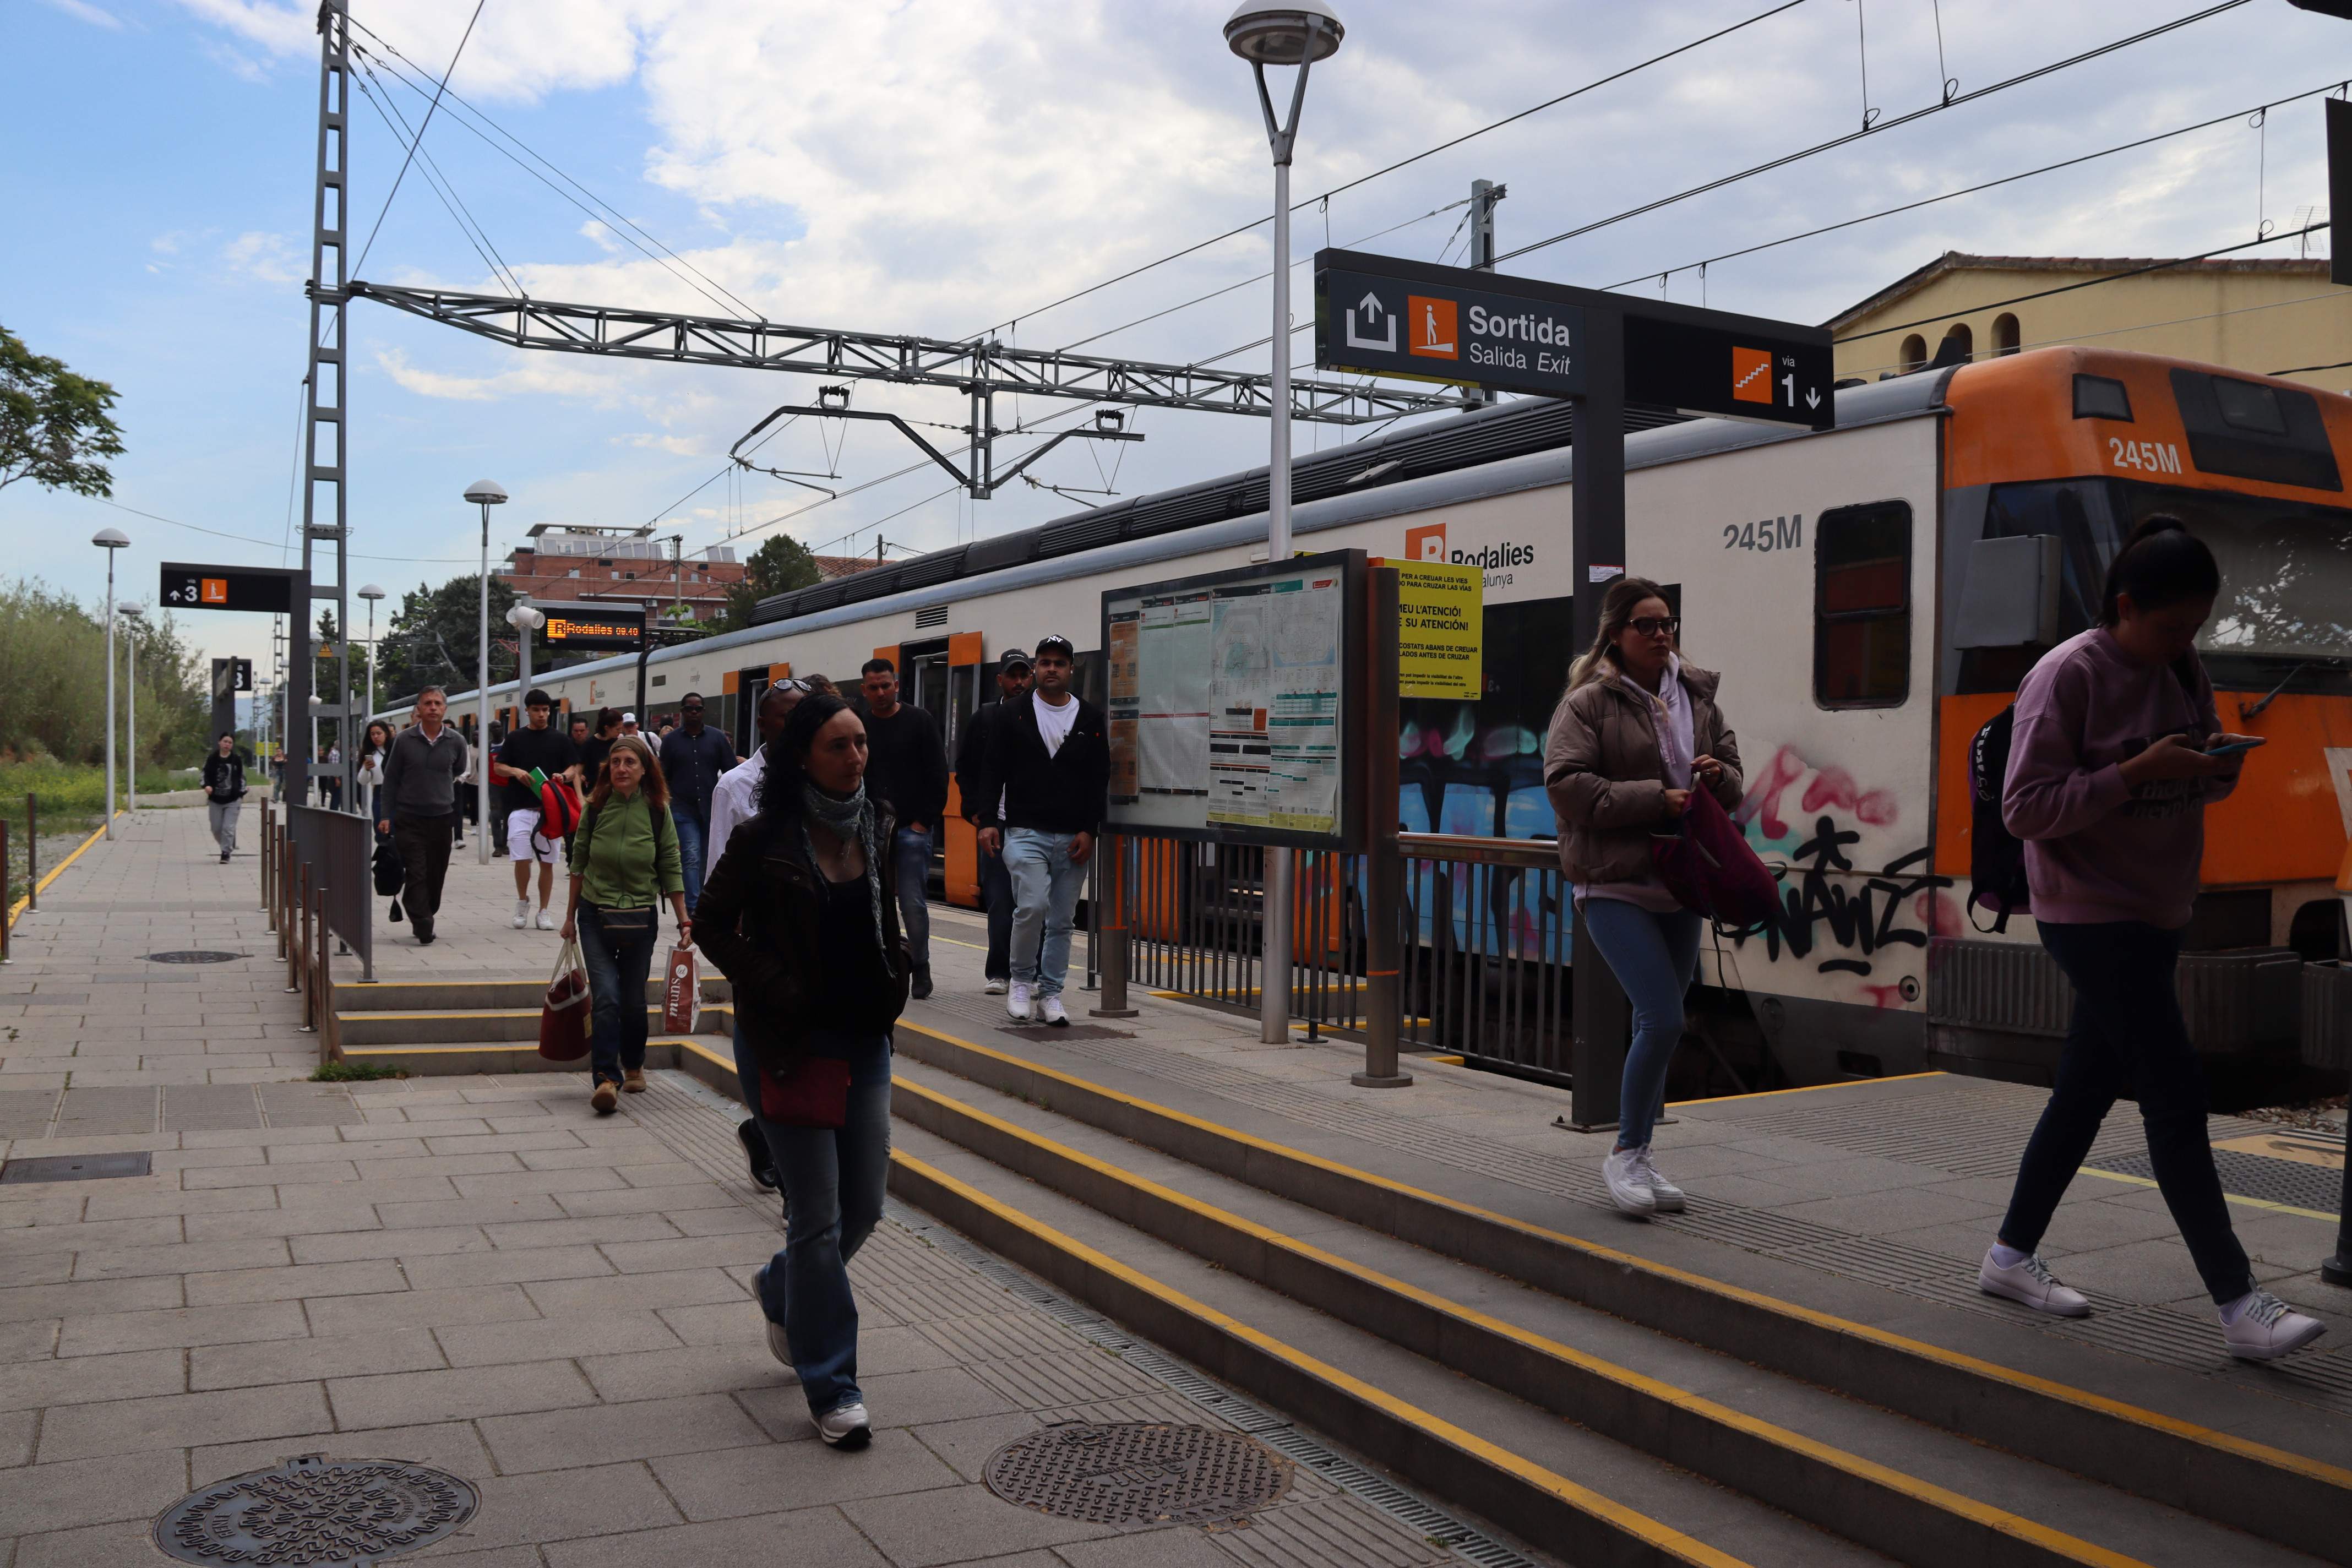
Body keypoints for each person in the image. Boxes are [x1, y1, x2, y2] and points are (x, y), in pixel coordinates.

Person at [1982, 516, 2326, 1360]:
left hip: (2160, 904)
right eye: (2172, 627)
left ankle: (2008, 1256)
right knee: (2174, 1095)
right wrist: (2137, 772)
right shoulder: (2067, 676)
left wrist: (2215, 766)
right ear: (2125, 608)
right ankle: (2240, 1303)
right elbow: (2023, 809)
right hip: (2090, 912)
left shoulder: (2180, 665)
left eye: (2197, 629)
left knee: (2085, 1089)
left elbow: (2191, 773)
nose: (2184, 643)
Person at [696, 691, 906, 1451]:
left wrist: (899, 971)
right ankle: (834, 1385)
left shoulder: (876, 826)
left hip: (864, 1040)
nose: (856, 756)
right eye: (839, 746)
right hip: (787, 1042)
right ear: (804, 757)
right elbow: (709, 920)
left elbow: (882, 921)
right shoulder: (766, 837)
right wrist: (772, 983)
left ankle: (782, 1287)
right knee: (816, 1217)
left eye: (860, 744)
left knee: (866, 1208)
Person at [1543, 577, 1744, 1217]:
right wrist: (1655, 798)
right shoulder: (1588, 704)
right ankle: (1625, 1153)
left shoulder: (1698, 697)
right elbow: (1566, 784)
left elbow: (1735, 778)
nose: (1662, 634)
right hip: (1614, 879)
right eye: (1647, 625)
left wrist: (1717, 775)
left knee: (1658, 1019)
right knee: (1662, 1016)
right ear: (1616, 635)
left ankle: (1643, 1155)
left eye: (1668, 624)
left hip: (1681, 877)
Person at [972, 634, 1108, 1026]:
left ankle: (1051, 994)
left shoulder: (1090, 719)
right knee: (1031, 907)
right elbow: (992, 770)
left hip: (1072, 838)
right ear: (1036, 669)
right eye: (1045, 663)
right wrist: (986, 822)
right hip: (1024, 832)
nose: (1052, 669)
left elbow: (1098, 780)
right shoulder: (1010, 714)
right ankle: (1019, 981)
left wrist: (1089, 830)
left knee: (1063, 920)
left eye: (1059, 663)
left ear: (1070, 670)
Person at [560, 734, 689, 1114]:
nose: (621, 769)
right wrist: (569, 917)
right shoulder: (596, 806)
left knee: (633, 1002)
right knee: (607, 1000)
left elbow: (670, 864)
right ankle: (605, 1078)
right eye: (615, 762)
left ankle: (634, 1064)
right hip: (595, 914)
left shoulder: (657, 809)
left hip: (640, 917)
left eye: (629, 762)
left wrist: (684, 920)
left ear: (644, 769)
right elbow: (578, 862)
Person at [858, 658, 949, 1001]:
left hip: (912, 829)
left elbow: (938, 775)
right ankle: (881, 964)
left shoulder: (920, 721)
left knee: (912, 903)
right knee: (870, 900)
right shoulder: (860, 725)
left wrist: (924, 822)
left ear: (896, 685)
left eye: (886, 685)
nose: (881, 692)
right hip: (869, 830)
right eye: (874, 687)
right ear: (864, 690)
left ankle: (920, 964)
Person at [954, 649, 1033, 994]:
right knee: (1000, 900)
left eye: (1023, 675)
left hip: (1033, 821)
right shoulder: (985, 718)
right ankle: (999, 973)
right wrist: (975, 812)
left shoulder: (1041, 716)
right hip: (996, 824)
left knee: (1033, 901)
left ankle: (1031, 973)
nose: (1019, 682)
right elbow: (967, 769)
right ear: (999, 680)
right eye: (1012, 676)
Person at [379, 687, 469, 945]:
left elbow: (459, 769)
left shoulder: (456, 741)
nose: (432, 707)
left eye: (437, 703)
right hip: (410, 818)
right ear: (419, 708)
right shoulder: (404, 740)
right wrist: (386, 815)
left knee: (435, 874)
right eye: (427, 703)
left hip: (442, 819)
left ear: (445, 709)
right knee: (417, 872)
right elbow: (391, 781)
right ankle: (423, 924)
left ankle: (422, 908)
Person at [496, 689, 580, 930]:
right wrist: (516, 772)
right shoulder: (515, 738)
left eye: (545, 710)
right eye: (537, 710)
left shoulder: (560, 739)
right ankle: (522, 902)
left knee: (547, 861)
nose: (542, 715)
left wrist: (563, 776)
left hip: (550, 809)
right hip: (521, 807)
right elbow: (500, 767)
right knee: (521, 857)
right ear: (527, 711)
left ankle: (544, 910)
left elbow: (574, 767)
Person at [657, 691, 739, 915]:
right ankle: (694, 908)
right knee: (691, 855)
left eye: (698, 709)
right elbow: (662, 775)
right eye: (689, 709)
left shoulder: (717, 739)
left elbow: (732, 771)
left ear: (703, 712)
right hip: (682, 808)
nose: (694, 713)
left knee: (708, 856)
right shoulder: (671, 741)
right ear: (682, 712)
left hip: (711, 808)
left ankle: (706, 901)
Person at [201, 732, 247, 862]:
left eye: (230, 743)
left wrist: (242, 792)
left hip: (233, 800)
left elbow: (242, 777)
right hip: (215, 800)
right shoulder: (212, 759)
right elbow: (204, 774)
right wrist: (206, 786)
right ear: (220, 743)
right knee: (216, 828)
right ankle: (226, 844)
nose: (227, 744)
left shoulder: (236, 760)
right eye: (225, 741)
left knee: (228, 828)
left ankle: (226, 852)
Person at [355, 721, 394, 827]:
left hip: (397, 792)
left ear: (386, 733)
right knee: (381, 829)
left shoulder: (396, 749)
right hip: (379, 793)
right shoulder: (369, 753)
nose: (376, 737)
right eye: (373, 734)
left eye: (379, 733)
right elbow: (362, 781)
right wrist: (366, 769)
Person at [578, 707, 620, 794]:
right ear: (607, 728)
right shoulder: (589, 745)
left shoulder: (617, 742)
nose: (620, 732)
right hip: (594, 792)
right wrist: (580, 797)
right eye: (618, 729)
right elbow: (577, 773)